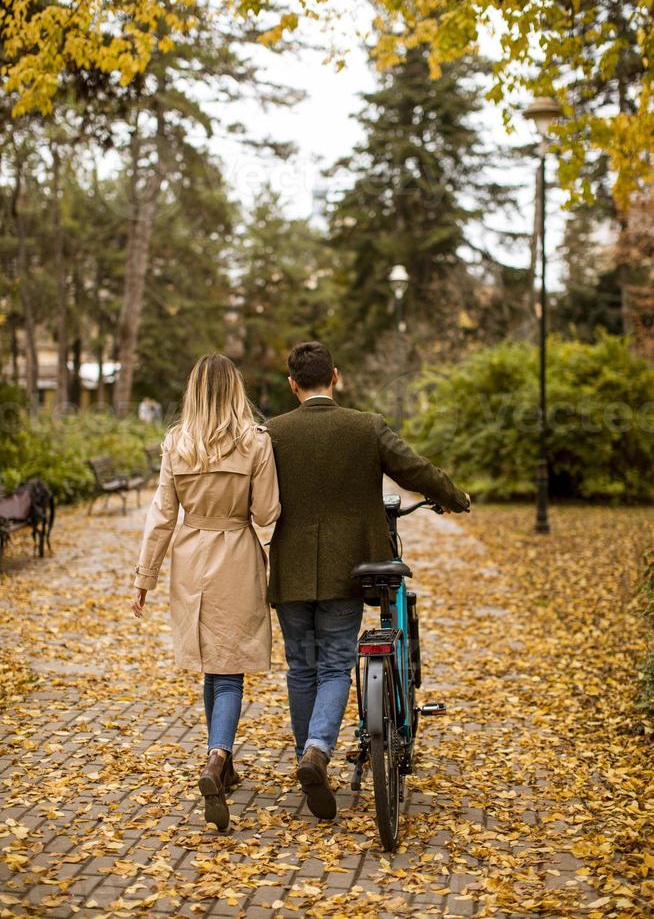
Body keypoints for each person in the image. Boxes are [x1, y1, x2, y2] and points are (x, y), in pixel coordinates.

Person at [267, 341, 470, 821]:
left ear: (293, 384)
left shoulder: (271, 432)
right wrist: (455, 496)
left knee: (301, 667)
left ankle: (308, 756)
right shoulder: (365, 426)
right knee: (337, 665)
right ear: (335, 377)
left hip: (291, 568)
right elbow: (414, 469)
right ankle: (318, 750)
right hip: (349, 568)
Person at [130, 354, 280, 830]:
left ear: (193, 391)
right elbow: (266, 511)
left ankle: (221, 759)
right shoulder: (256, 443)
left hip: (190, 557)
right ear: (236, 391)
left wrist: (144, 577)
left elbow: (161, 515)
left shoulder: (177, 442)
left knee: (210, 661)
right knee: (229, 665)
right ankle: (218, 757)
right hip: (236, 552)